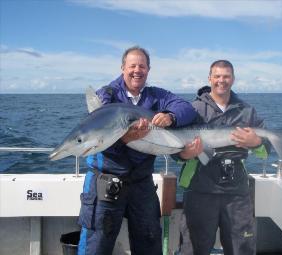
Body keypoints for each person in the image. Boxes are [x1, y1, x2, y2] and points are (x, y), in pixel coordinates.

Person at [77, 46, 197, 255]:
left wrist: (170, 116)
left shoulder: (158, 96)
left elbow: (188, 109)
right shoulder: (107, 95)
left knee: (149, 243)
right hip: (106, 180)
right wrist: (124, 138)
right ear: (123, 68)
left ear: (148, 70)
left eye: (142, 66)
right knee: (96, 246)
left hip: (142, 183)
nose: (137, 70)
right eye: (132, 65)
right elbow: (98, 132)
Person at [177, 60, 269, 255]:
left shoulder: (246, 111)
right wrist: (185, 154)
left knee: (241, 249)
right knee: (193, 249)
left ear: (233, 79)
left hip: (236, 190)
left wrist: (257, 143)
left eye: (226, 76)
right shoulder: (192, 110)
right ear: (209, 78)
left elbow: (266, 150)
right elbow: (176, 150)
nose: (221, 80)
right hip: (199, 187)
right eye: (217, 76)